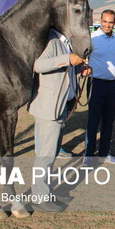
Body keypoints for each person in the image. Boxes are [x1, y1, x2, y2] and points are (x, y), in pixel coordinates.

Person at [28, 29, 91, 212]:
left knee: (50, 154)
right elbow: (38, 65)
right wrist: (67, 59)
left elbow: (65, 73)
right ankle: (40, 198)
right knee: (45, 156)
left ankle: (44, 192)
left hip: (60, 106)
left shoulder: (66, 42)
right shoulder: (52, 41)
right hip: (49, 108)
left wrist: (79, 69)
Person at [84, 9, 115, 165]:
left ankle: (104, 153)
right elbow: (81, 58)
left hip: (112, 84)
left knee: (108, 121)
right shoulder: (91, 38)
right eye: (105, 21)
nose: (107, 25)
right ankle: (88, 156)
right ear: (100, 21)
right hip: (95, 83)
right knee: (93, 121)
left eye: (111, 22)